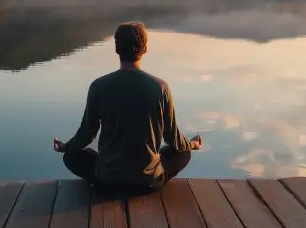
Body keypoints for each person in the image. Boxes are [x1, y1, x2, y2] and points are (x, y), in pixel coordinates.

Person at [53, 21, 202, 191]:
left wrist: (67, 147)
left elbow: (87, 134)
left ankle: (108, 176)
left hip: (108, 180)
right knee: (182, 152)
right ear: (144, 49)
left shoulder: (99, 86)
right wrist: (192, 144)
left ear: (117, 49)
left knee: (71, 156)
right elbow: (173, 138)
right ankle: (148, 175)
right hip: (148, 182)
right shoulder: (160, 87)